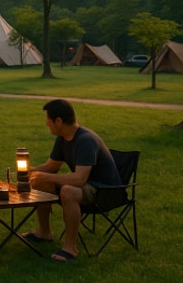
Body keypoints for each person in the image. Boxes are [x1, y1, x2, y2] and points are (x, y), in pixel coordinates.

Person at [26, 98, 122, 262]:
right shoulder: (62, 138)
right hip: (86, 187)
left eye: (48, 120)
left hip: (105, 192)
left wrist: (47, 176)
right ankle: (44, 232)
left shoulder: (86, 140)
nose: (46, 124)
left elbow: (79, 179)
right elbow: (51, 166)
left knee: (68, 191)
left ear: (58, 121)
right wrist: (27, 172)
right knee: (39, 183)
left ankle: (70, 247)